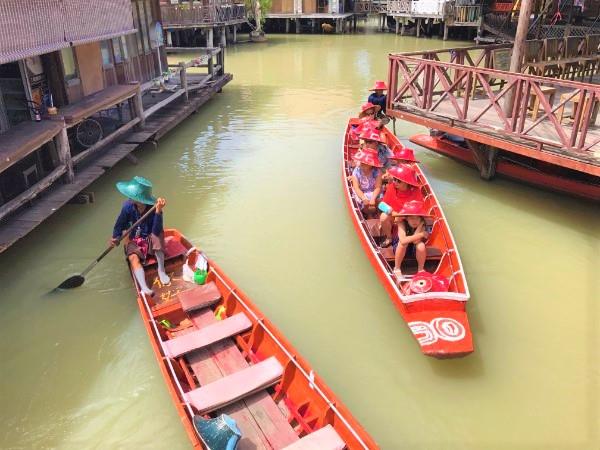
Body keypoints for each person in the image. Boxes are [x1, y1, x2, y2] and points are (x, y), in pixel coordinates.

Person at [110, 176, 170, 296]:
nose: (130, 198)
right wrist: (115, 237)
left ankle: (161, 270)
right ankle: (144, 288)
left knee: (157, 239)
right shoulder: (127, 206)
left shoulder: (154, 208)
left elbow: (156, 230)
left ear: (141, 199)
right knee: (133, 257)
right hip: (135, 238)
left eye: (133, 196)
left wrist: (158, 212)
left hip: (150, 235)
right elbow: (120, 224)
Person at [379, 165, 423, 248]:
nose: (395, 182)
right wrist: (393, 213)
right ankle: (389, 237)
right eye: (394, 179)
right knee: (383, 217)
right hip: (394, 216)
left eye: (398, 181)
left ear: (406, 182)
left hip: (410, 219)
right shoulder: (392, 187)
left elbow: (418, 210)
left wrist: (403, 216)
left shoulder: (416, 191)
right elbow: (381, 205)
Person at [392, 200, 431, 280]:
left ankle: (420, 269)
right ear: (406, 218)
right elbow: (403, 240)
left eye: (417, 218)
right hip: (399, 248)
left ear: (421, 219)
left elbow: (415, 241)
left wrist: (420, 226)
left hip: (413, 249)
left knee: (421, 245)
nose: (414, 221)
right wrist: (421, 234)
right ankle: (397, 268)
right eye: (412, 218)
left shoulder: (422, 224)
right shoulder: (401, 223)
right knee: (403, 243)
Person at [350, 149, 383, 216]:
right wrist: (364, 198)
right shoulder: (356, 171)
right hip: (362, 192)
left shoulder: (377, 171)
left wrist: (373, 199)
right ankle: (369, 215)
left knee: (379, 201)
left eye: (364, 162)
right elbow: (356, 188)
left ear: (371, 164)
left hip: (374, 192)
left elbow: (378, 187)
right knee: (362, 202)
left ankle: (377, 213)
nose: (362, 163)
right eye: (361, 161)